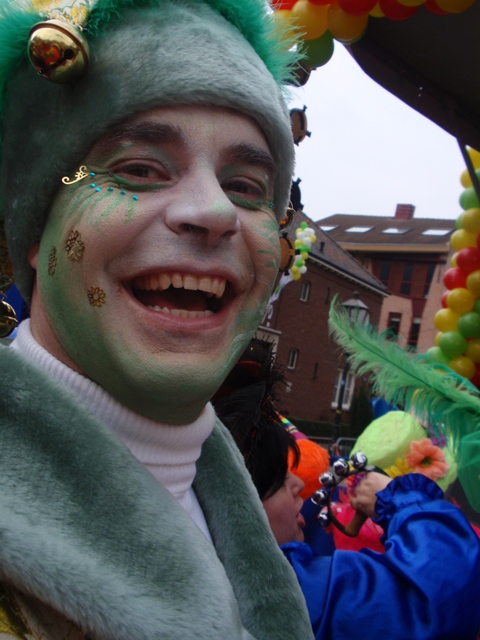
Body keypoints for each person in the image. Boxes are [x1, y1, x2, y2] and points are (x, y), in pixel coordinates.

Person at [0, 1, 314, 638]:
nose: (214, 212)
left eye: (247, 187)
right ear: (35, 233)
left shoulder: (225, 512)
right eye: (138, 169)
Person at [214, 363, 480, 640]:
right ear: (239, 503)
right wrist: (399, 498)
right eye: (280, 480)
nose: (300, 485)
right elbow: (439, 595)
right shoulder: (279, 587)